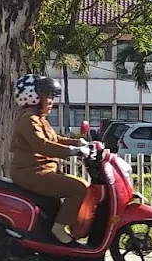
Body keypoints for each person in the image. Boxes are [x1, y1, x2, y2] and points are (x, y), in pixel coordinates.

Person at [10, 74, 91, 244]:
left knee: (77, 185)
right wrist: (72, 151)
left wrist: (78, 142)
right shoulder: (29, 120)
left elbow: (55, 139)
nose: (52, 102)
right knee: (79, 187)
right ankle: (59, 230)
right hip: (32, 173)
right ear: (34, 98)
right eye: (49, 97)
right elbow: (42, 145)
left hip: (42, 170)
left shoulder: (39, 119)